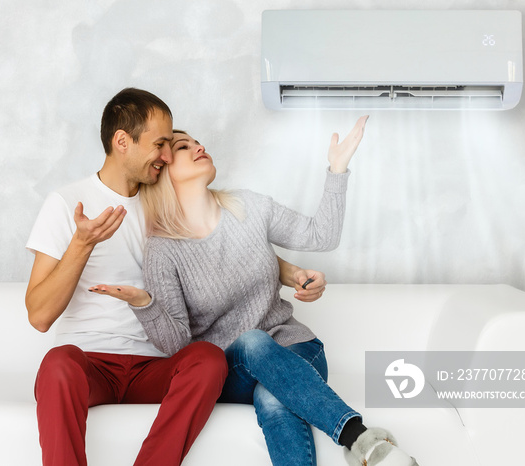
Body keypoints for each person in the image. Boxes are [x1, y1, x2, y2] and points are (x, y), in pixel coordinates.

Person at [25, 87, 329, 466]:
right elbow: (38, 315)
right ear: (123, 141)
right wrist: (81, 244)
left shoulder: (166, 203)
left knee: (208, 359)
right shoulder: (67, 203)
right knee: (57, 363)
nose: (167, 156)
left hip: (157, 365)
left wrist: (290, 272)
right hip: (90, 363)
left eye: (172, 146)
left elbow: (231, 250)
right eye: (160, 144)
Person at [93, 118, 420, 466]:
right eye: (183, 147)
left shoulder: (248, 206)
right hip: (232, 371)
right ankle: (359, 438)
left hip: (295, 350)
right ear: (163, 172)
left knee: (274, 397)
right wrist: (144, 304)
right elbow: (176, 344)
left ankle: (369, 448)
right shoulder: (162, 250)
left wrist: (337, 169)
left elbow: (320, 236)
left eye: (197, 141)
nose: (199, 147)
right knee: (251, 341)